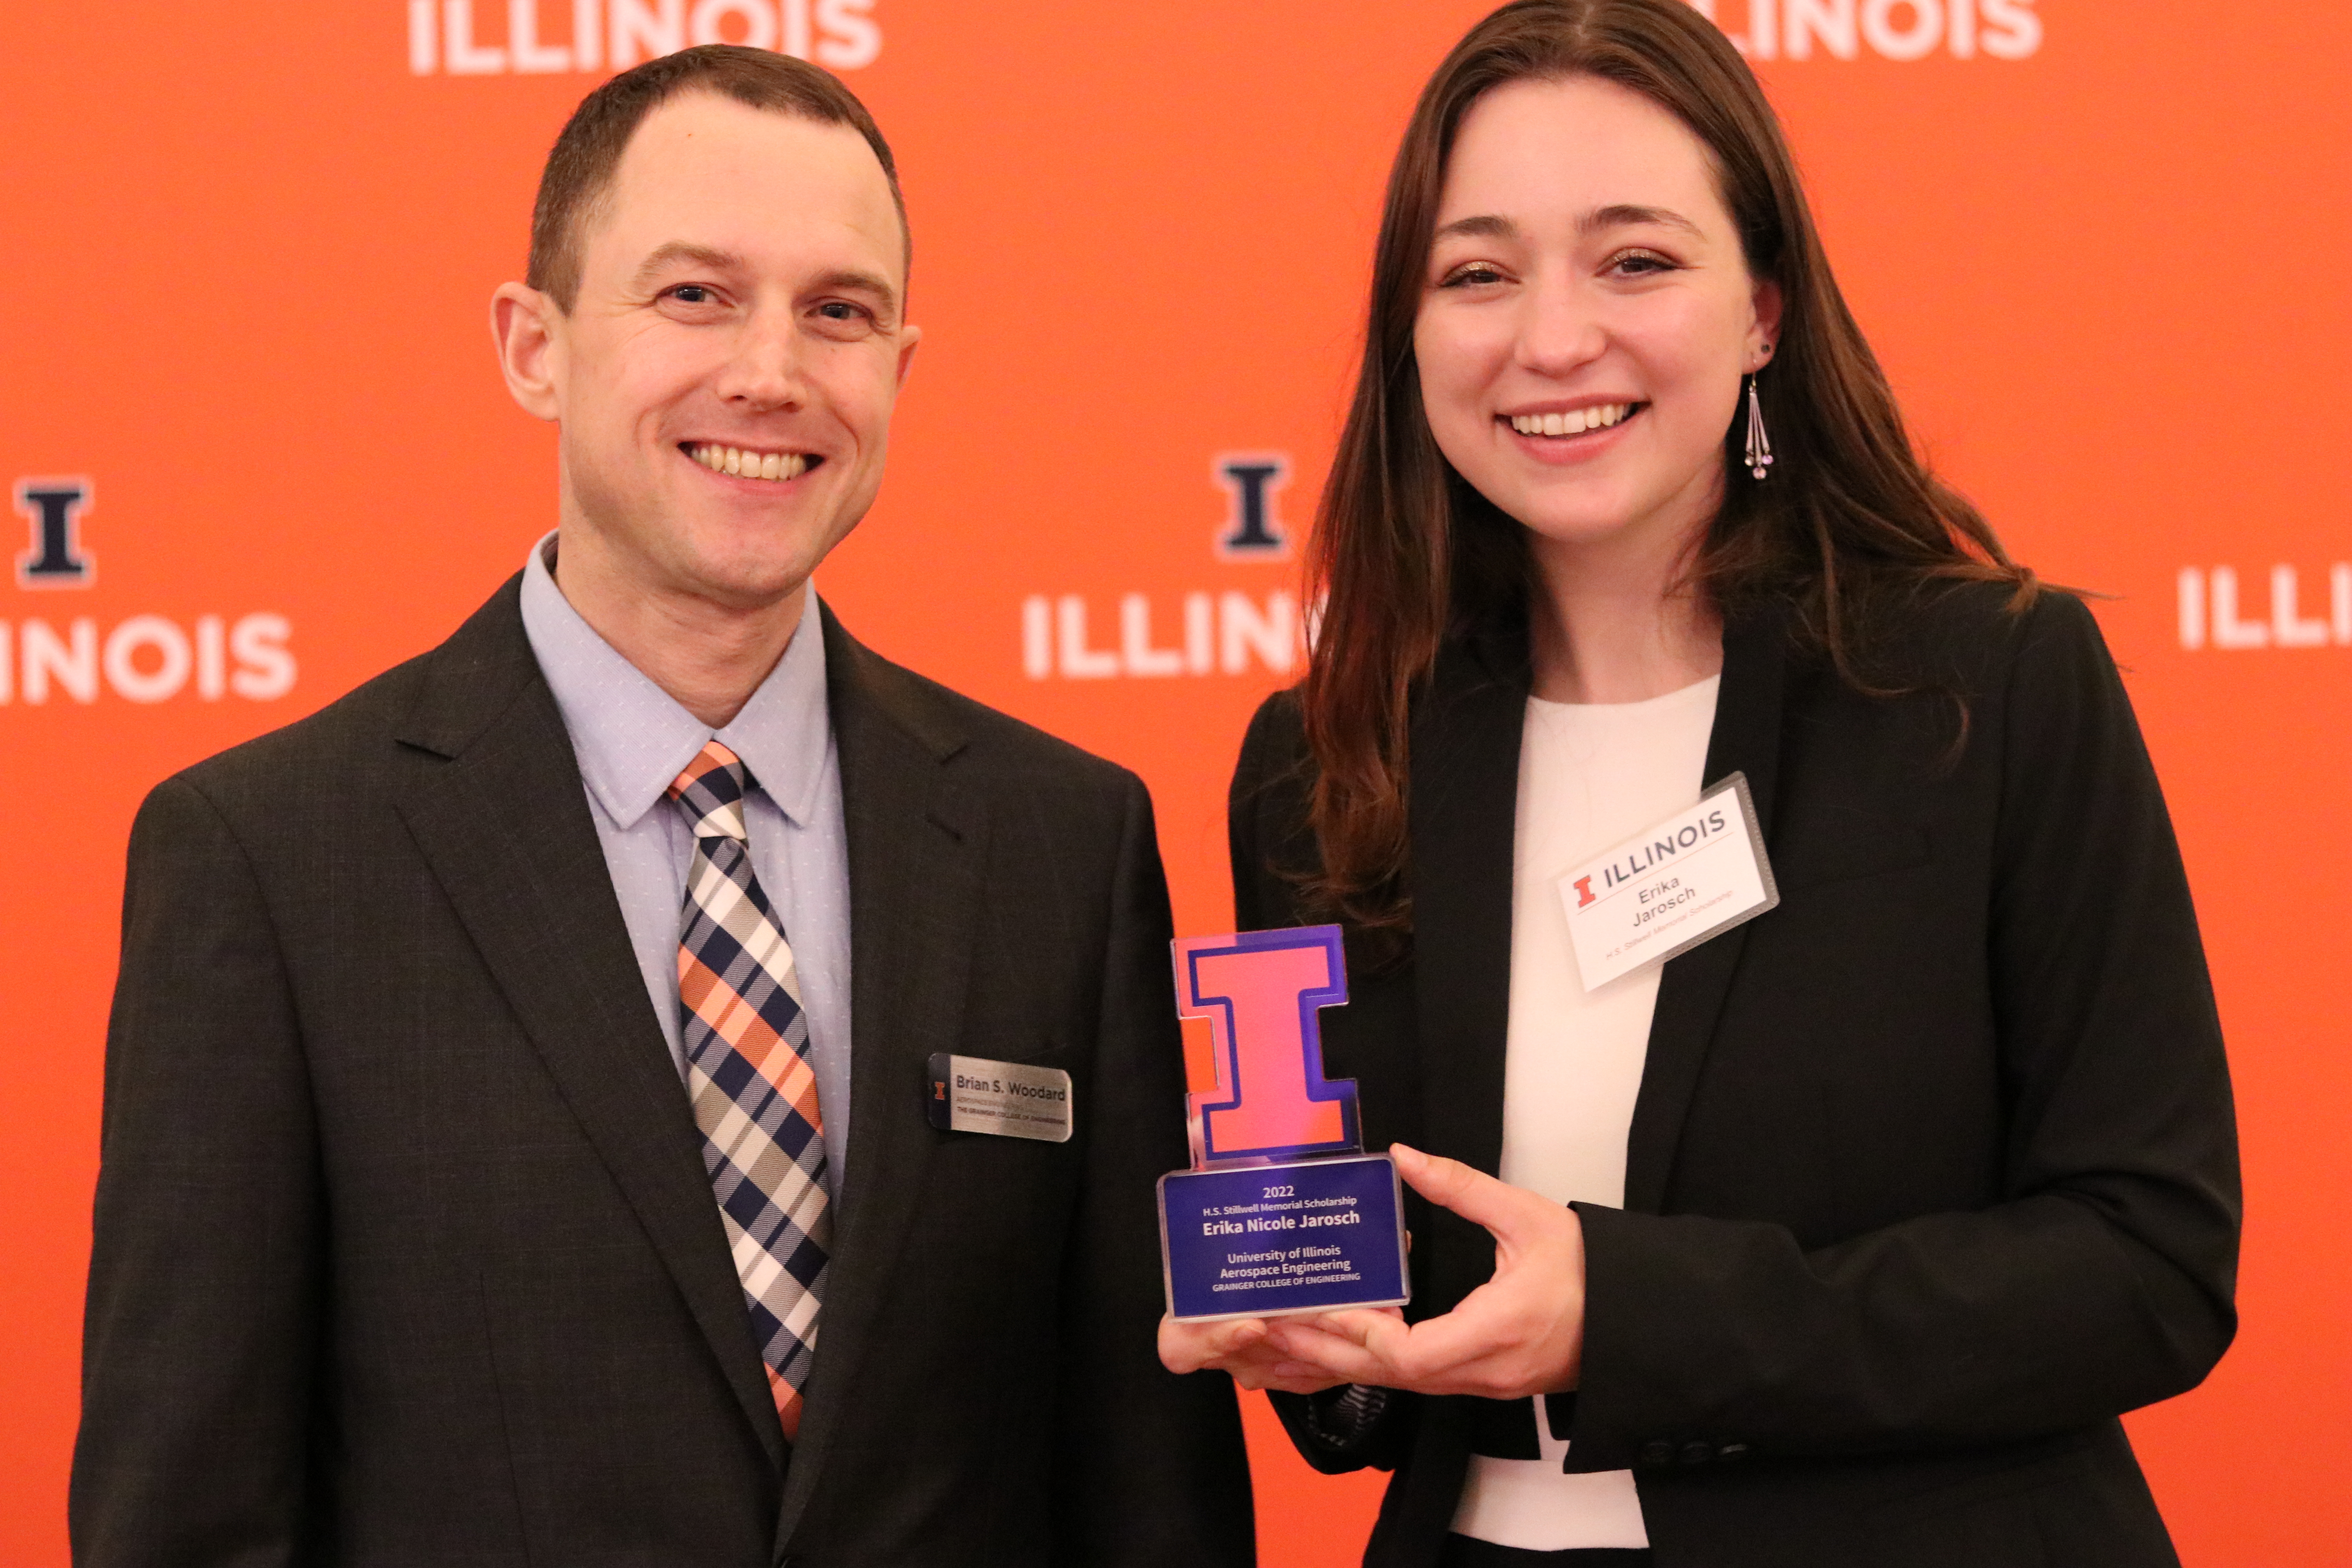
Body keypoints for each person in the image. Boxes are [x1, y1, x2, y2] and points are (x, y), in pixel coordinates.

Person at [73, 45, 1252, 1568]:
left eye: (838, 311)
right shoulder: (269, 859)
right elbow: (189, 1517)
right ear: (533, 346)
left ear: (899, 369)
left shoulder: (1063, 840)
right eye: (695, 295)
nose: (771, 370)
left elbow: (1149, 1492)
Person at [1162, 3, 2239, 1565]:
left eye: (1636, 260)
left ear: (1763, 311)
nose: (1550, 339)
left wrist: (1635, 1309)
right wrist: (1307, 1336)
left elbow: (2148, 1263)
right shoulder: (1326, 759)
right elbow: (1365, 1372)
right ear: (1413, 332)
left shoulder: (1982, 687)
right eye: (1478, 272)